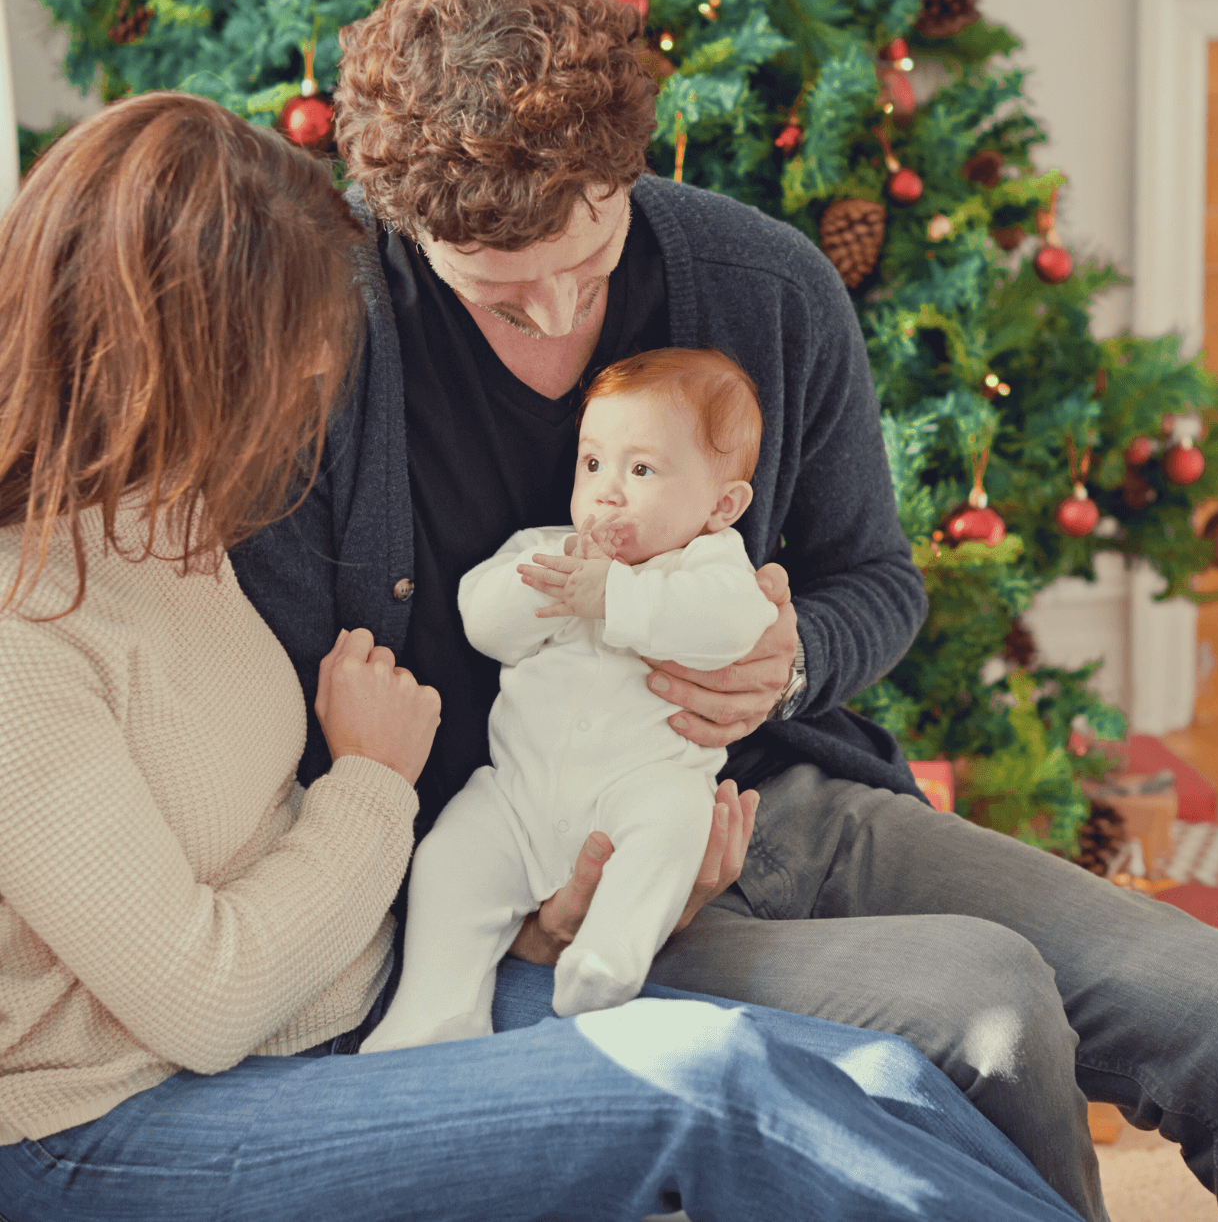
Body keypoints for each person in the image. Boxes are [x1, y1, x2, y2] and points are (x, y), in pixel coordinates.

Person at [232, 0, 1218, 1222]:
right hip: (558, 880)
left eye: (584, 255)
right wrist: (524, 910)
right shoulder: (326, 349)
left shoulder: (763, 286)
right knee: (984, 1007)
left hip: (800, 798)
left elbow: (878, 581)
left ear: (627, 168)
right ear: (406, 222)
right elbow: (292, 739)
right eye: (496, 280)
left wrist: (792, 658)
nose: (548, 313)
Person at [0, 92, 1093, 1222]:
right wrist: (373, 784)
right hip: (110, 1129)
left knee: (879, 1080)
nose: (321, 385)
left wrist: (520, 906)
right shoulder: (22, 642)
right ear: (180, 352)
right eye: (296, 352)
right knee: (715, 1088)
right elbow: (209, 1002)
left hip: (344, 1009)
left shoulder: (169, 529)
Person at [363, 347, 778, 1043]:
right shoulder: (546, 549)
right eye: (593, 464)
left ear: (721, 505)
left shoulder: (711, 566)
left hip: (636, 794)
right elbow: (482, 620)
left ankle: (607, 957)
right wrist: (551, 587)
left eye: (641, 470)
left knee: (678, 819)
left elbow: (732, 626)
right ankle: (435, 1012)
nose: (607, 492)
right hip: (519, 799)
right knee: (448, 861)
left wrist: (615, 596)